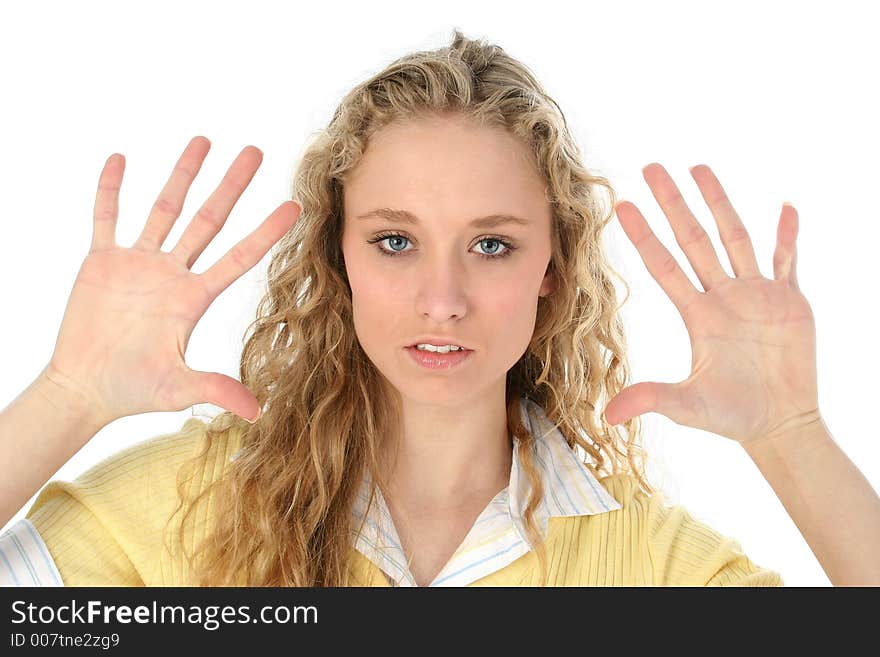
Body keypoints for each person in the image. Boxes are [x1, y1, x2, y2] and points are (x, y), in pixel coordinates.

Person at [1, 30, 878, 588]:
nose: (443, 300)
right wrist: (70, 395)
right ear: (337, 255)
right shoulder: (187, 498)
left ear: (552, 268)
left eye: (491, 244)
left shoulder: (646, 564)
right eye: (395, 240)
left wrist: (792, 435)